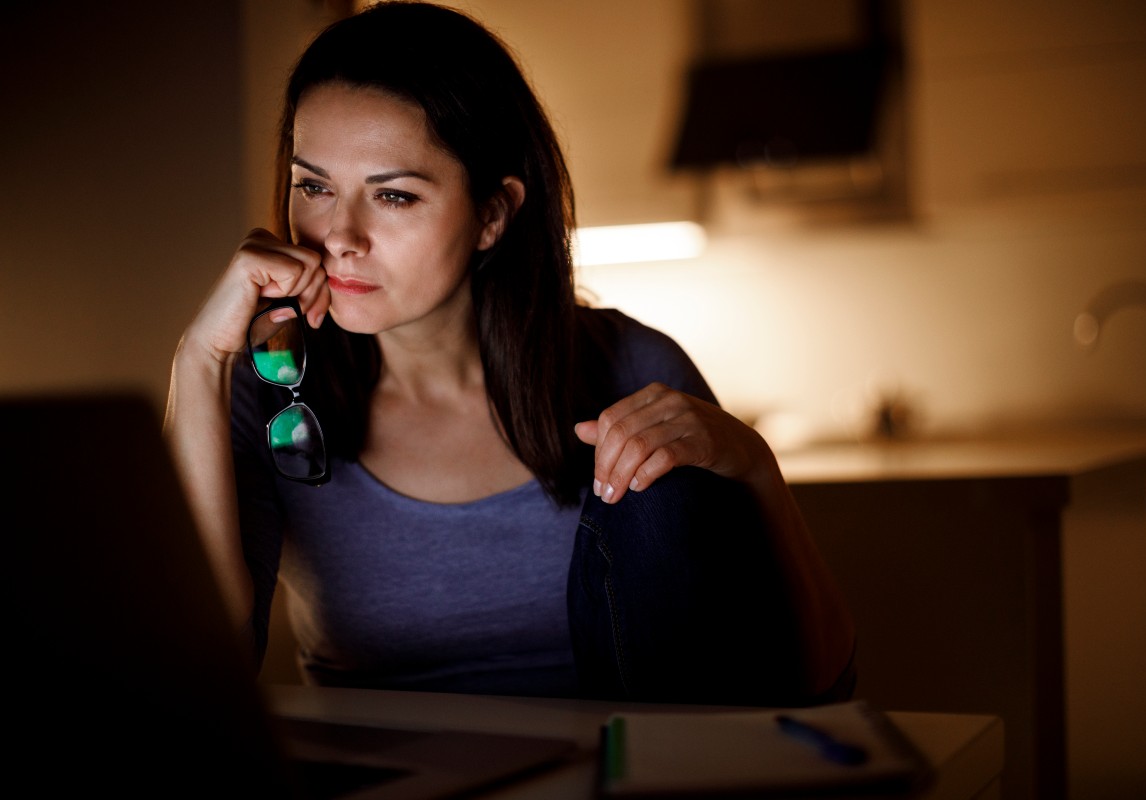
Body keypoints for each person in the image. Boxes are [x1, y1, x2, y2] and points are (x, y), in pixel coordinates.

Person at [164, 0, 855, 706]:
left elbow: (813, 681)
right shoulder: (270, 392)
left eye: (394, 197)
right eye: (314, 186)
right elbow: (195, 678)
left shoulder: (631, 368)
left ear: (492, 214)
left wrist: (756, 468)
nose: (340, 235)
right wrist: (199, 360)